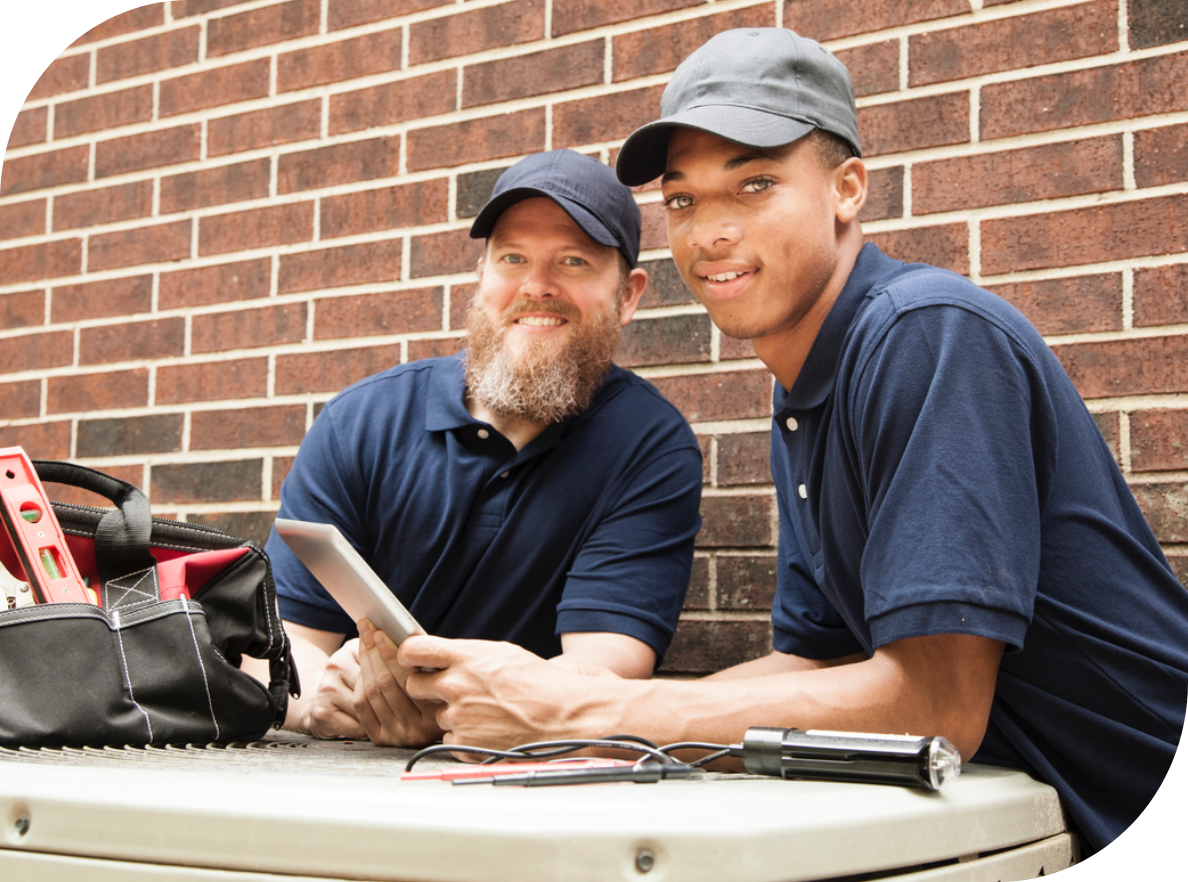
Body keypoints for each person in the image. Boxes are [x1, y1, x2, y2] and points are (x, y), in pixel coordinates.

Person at [391, 29, 1188, 857]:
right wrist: (548, 704)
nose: (709, 234)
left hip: (1154, 807)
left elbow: (939, 704)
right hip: (1044, 816)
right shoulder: (804, 387)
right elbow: (817, 661)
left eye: (756, 183)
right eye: (684, 200)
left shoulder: (925, 334)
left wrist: (590, 717)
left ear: (846, 189)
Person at [251, 149, 703, 747]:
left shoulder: (651, 447)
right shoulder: (360, 422)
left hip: (518, 790)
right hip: (339, 777)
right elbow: (280, 647)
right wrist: (318, 701)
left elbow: (602, 676)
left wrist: (441, 709)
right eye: (513, 258)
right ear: (481, 277)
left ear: (628, 295)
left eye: (573, 261)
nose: (537, 288)